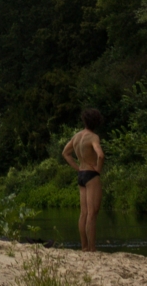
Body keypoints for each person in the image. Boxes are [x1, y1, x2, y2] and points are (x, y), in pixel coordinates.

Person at [61, 108, 105, 252]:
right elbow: (100, 155)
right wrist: (98, 169)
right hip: (91, 176)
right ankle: (92, 249)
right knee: (92, 214)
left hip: (81, 175)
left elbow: (65, 153)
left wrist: (78, 168)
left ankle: (84, 247)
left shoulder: (77, 136)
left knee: (84, 213)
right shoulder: (93, 137)